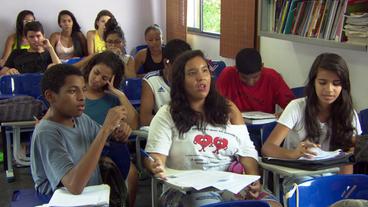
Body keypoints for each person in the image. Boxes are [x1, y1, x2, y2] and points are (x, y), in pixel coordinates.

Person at [144, 50, 281, 207]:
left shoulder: (228, 109)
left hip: (229, 183)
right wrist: (155, 165)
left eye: (204, 71)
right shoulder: (167, 114)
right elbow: (155, 157)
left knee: (272, 205)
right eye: (192, 73)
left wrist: (253, 178)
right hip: (186, 189)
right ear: (181, 81)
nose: (201, 77)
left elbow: (246, 150)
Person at [31, 64, 129, 206]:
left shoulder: (80, 119)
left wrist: (118, 131)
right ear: (50, 96)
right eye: (72, 91)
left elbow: (107, 137)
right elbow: (74, 186)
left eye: (83, 90)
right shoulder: (46, 132)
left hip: (92, 197)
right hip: (62, 202)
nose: (82, 97)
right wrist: (106, 129)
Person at [262, 53, 362, 188]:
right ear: (313, 82)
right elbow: (268, 148)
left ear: (344, 86)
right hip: (299, 178)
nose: (329, 89)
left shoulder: (349, 113)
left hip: (333, 178)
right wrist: (294, 154)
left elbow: (348, 159)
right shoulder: (297, 107)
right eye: (322, 82)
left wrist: (344, 189)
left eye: (336, 83)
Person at [83, 51, 139, 207]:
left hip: (110, 149)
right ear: (91, 67)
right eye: (96, 73)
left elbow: (134, 124)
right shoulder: (77, 92)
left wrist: (119, 94)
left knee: (132, 174)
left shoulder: (112, 99)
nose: (96, 79)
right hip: (84, 148)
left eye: (104, 78)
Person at [216, 48, 295, 115]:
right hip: (234, 125)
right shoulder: (227, 75)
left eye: (255, 77)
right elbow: (214, 102)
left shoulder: (272, 77)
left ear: (262, 67)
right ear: (236, 69)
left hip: (263, 127)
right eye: (244, 78)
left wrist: (285, 114)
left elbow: (292, 107)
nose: (250, 82)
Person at [139, 39, 191, 126]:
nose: (183, 71)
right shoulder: (151, 80)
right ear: (166, 63)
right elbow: (145, 119)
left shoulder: (192, 78)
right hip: (164, 130)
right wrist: (177, 122)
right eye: (179, 67)